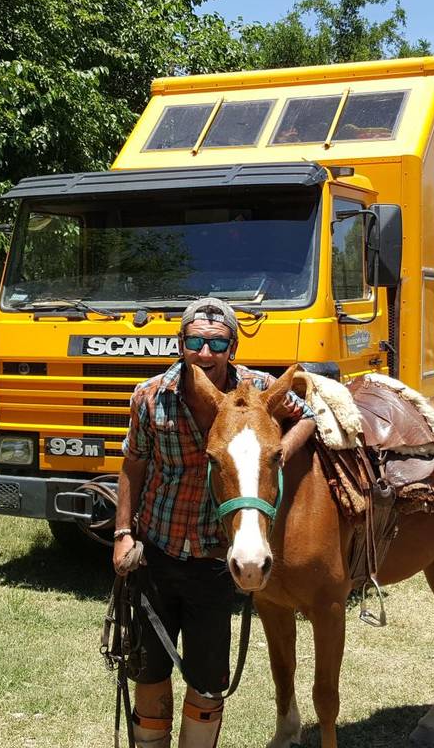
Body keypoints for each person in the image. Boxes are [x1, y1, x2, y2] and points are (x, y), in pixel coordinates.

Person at [112, 297, 315, 748]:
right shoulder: (150, 397)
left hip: (211, 560)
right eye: (196, 341)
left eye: (217, 342)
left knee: (206, 681)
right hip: (158, 551)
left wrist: (281, 451)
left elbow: (310, 415)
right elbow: (133, 464)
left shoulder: (260, 391)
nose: (206, 352)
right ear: (180, 343)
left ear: (232, 347)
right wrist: (123, 533)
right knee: (148, 670)